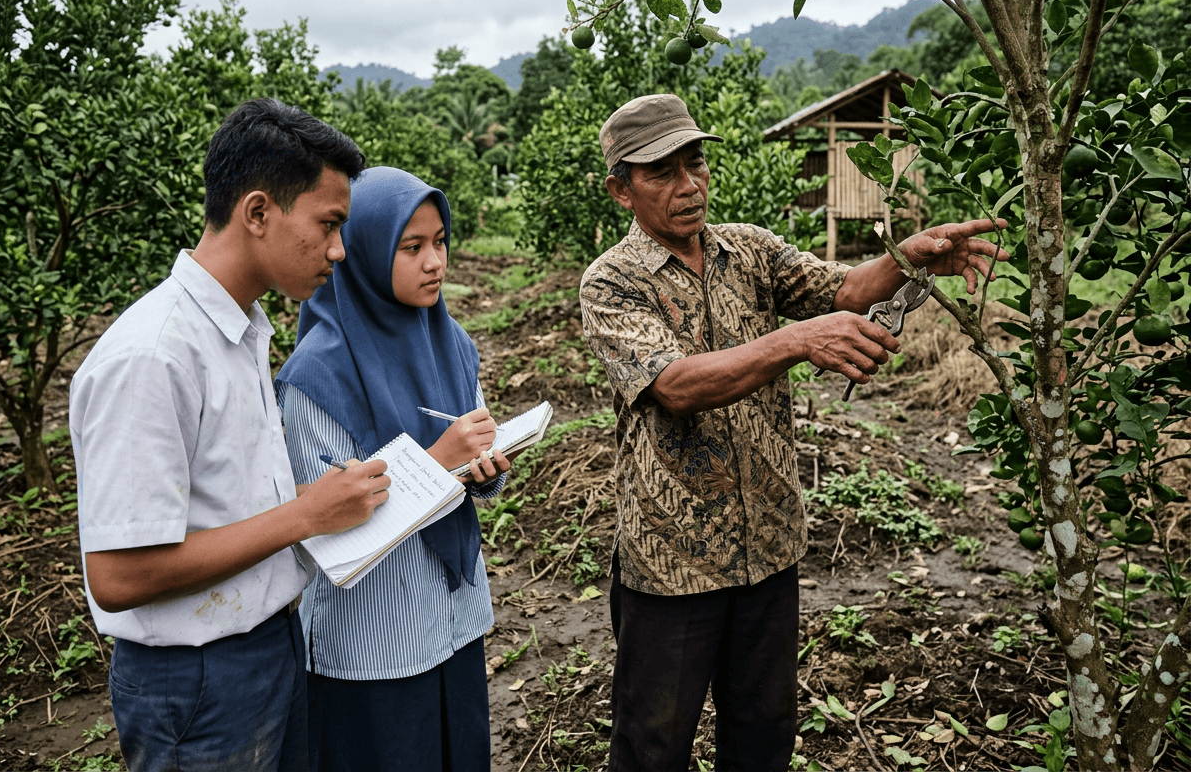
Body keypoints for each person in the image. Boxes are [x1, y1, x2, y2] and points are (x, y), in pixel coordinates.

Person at [580, 93, 1010, 771]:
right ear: (621, 190)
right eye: (662, 172)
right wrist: (797, 341)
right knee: (651, 748)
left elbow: (844, 289)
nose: (688, 185)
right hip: (671, 563)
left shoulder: (748, 250)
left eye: (695, 164)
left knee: (763, 736)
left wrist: (909, 258)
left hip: (769, 546)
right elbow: (675, 385)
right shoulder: (612, 282)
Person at [70, 98, 393, 772]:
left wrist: (312, 505)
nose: (339, 250)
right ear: (257, 212)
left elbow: (220, 504)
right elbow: (119, 575)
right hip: (197, 682)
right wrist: (304, 515)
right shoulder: (153, 356)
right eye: (328, 224)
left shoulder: (240, 330)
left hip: (269, 646)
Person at [274, 166, 510, 772]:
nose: (435, 262)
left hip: (455, 617)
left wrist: (485, 471)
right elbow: (324, 527)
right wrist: (438, 462)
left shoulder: (450, 341)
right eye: (411, 247)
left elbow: (472, 453)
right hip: (375, 641)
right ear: (366, 252)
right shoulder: (318, 375)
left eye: (440, 242)